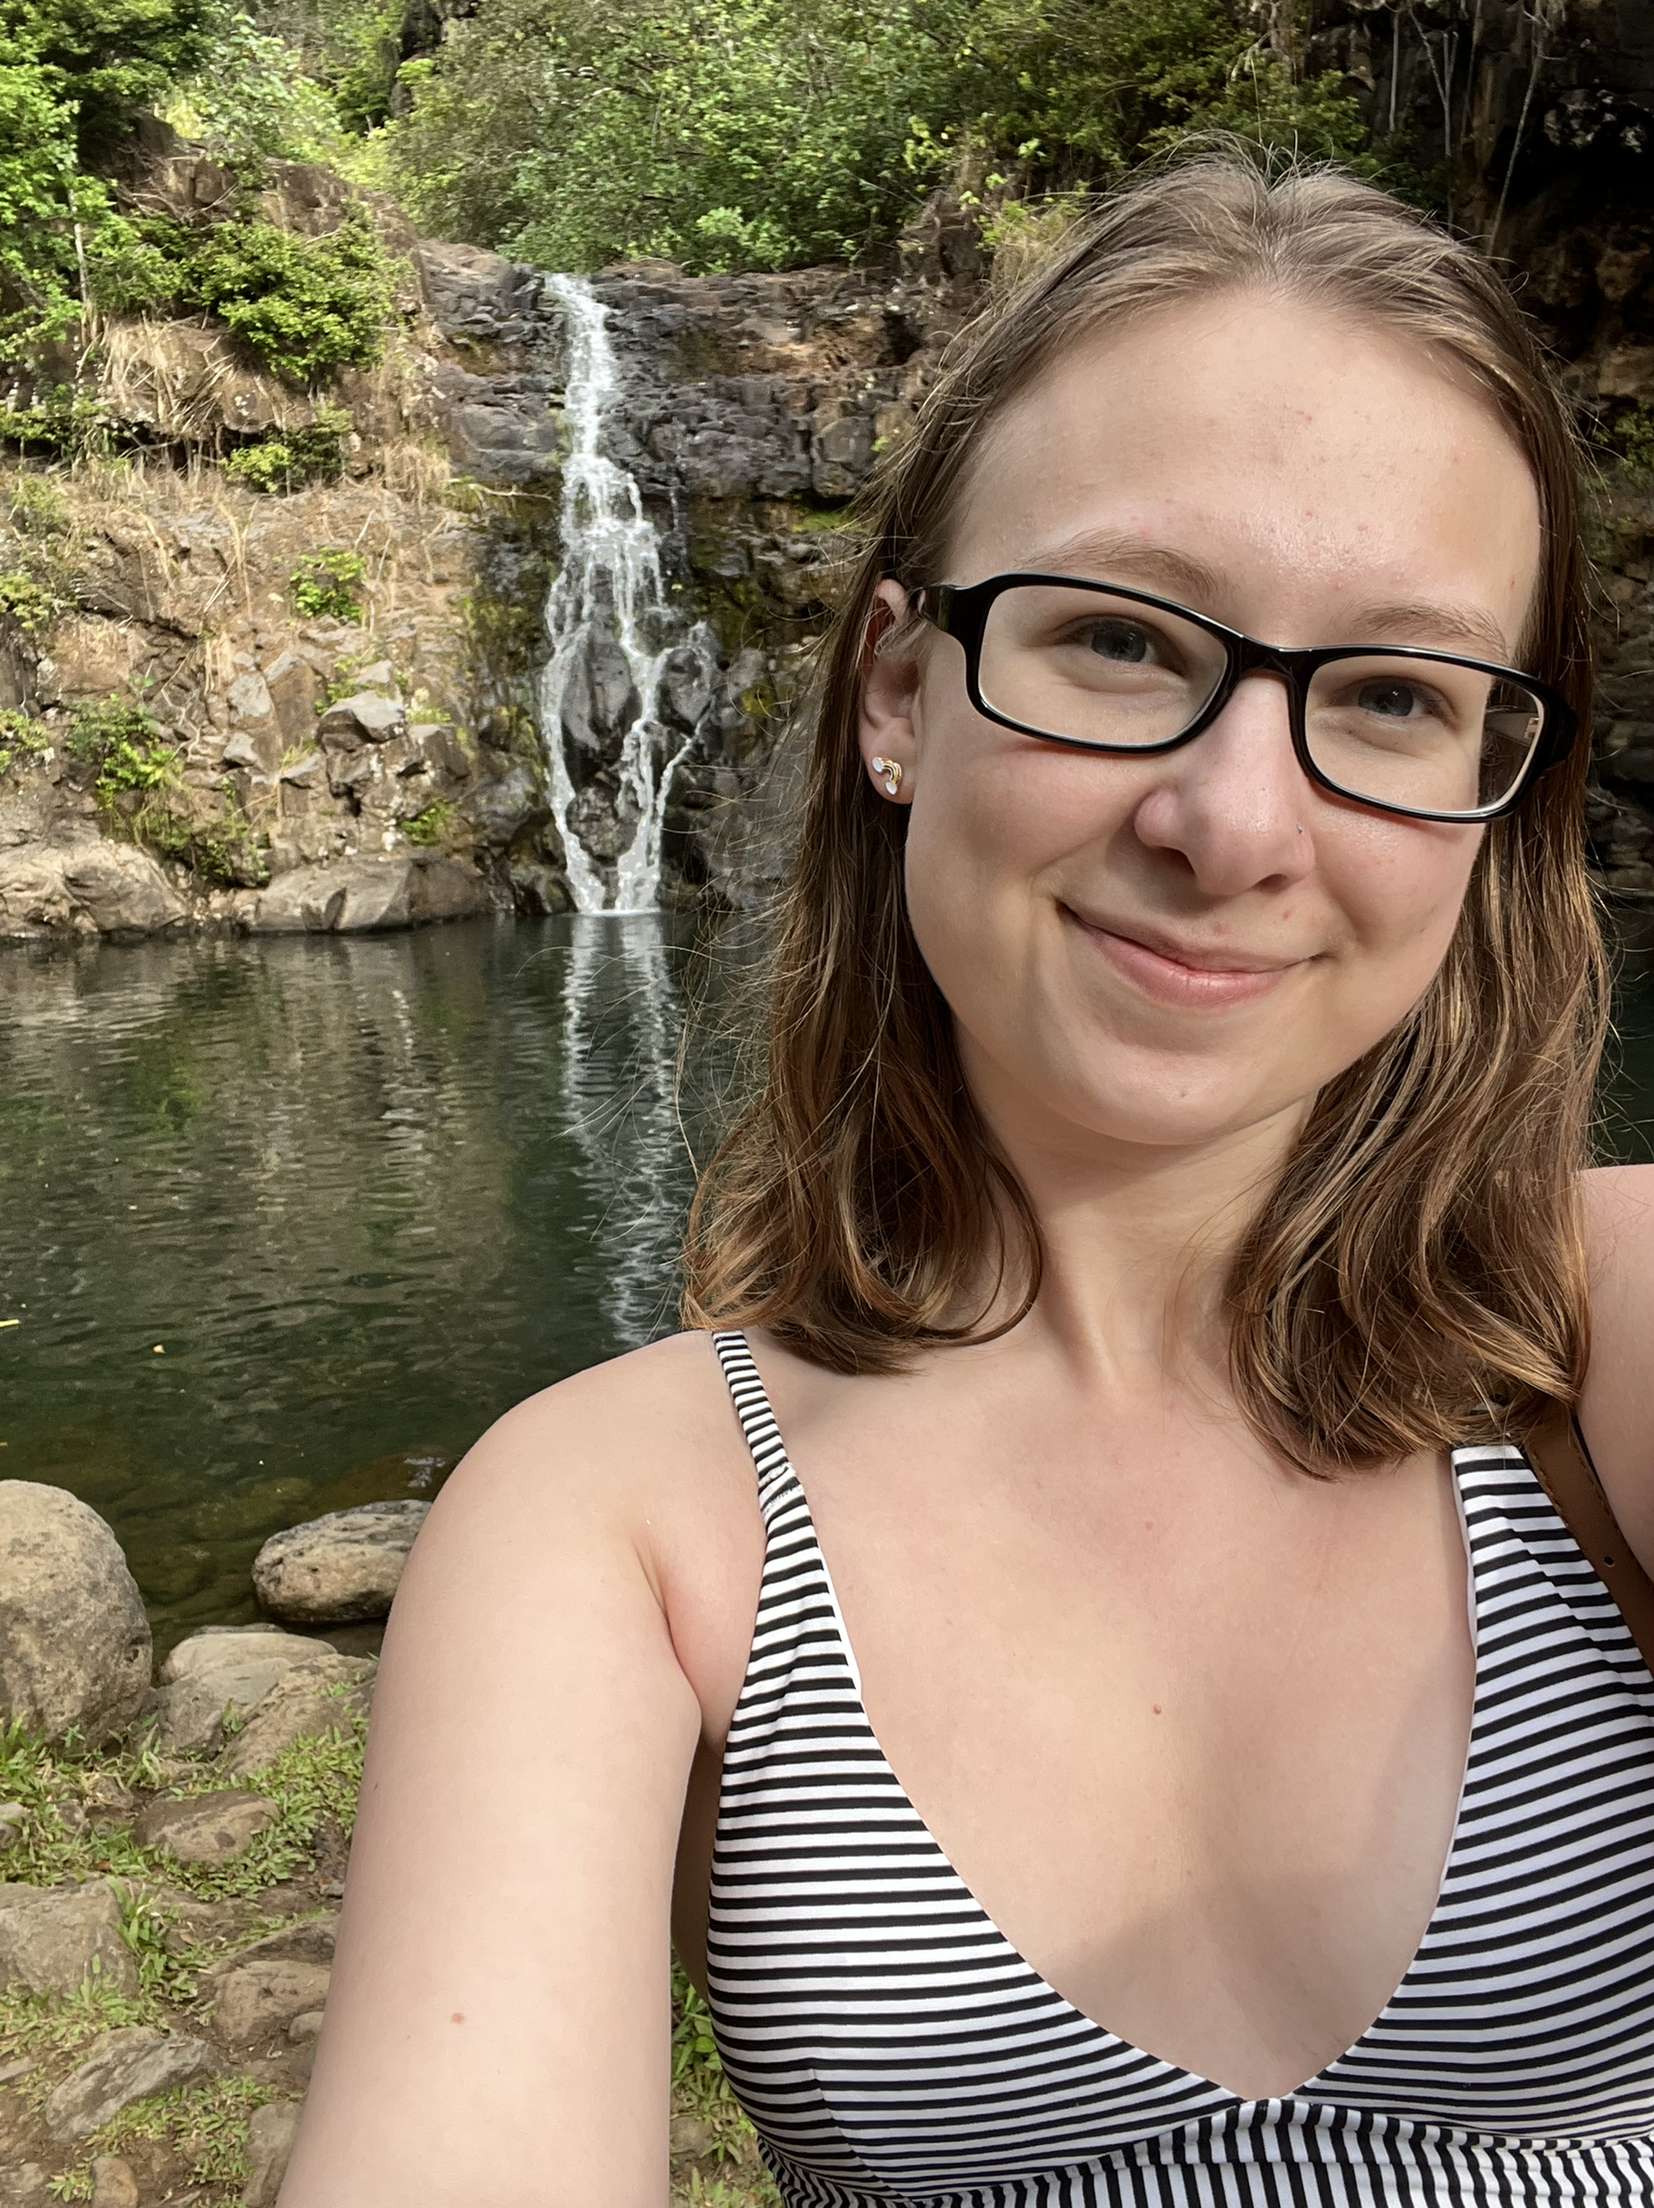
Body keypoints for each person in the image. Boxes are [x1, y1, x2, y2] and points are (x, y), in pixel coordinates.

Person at [273, 135, 1654, 2207]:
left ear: (1488, 792)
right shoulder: (617, 1529)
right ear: (896, 695)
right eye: (1116, 639)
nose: (1231, 821)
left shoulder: (1608, 1338)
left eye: (1384, 692)